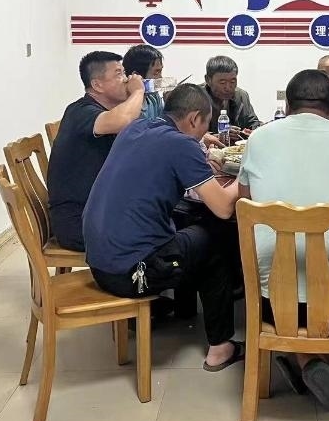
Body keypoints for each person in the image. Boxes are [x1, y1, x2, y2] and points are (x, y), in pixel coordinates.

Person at [237, 69, 329, 411]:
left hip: (268, 301)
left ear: (288, 106)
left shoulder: (258, 140)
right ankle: (321, 358)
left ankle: (301, 358)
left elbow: (245, 201)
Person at [83, 84, 243, 371]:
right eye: (205, 125)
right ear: (194, 119)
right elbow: (223, 208)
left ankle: (185, 308)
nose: (203, 135)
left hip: (99, 263)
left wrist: (198, 168)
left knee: (189, 221)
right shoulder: (182, 145)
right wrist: (245, 176)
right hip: (132, 273)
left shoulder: (135, 128)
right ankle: (220, 348)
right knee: (217, 236)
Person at [46, 52, 146, 251]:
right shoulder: (80, 111)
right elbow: (123, 120)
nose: (126, 79)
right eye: (118, 74)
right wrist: (138, 92)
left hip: (99, 212)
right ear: (97, 85)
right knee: (164, 230)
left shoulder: (104, 112)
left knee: (173, 214)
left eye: (124, 72)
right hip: (80, 222)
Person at [201, 55, 262, 136]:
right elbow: (187, 131)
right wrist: (218, 136)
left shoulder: (241, 96)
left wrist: (254, 131)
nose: (228, 87)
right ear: (208, 80)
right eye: (222, 83)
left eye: (232, 82)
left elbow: (253, 123)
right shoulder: (195, 97)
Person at [123, 44, 166, 122]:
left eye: (160, 71)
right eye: (156, 72)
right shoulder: (124, 106)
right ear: (136, 75)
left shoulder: (154, 98)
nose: (160, 77)